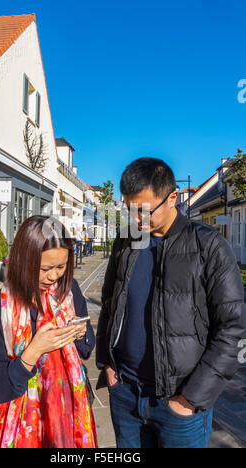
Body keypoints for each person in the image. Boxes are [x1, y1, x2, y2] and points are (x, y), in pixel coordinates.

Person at [96, 157, 246, 449]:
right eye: (130, 210)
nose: (137, 220)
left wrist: (190, 399)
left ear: (173, 197)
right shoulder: (126, 242)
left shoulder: (209, 246)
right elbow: (109, 302)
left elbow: (233, 328)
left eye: (145, 210)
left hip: (179, 405)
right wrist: (108, 365)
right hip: (125, 394)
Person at [0, 216, 97, 449]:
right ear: (23, 261)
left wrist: (81, 334)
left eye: (61, 267)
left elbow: (87, 348)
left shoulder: (69, 293)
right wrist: (32, 353)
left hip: (70, 415)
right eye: (45, 269)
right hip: (21, 426)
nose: (53, 277)